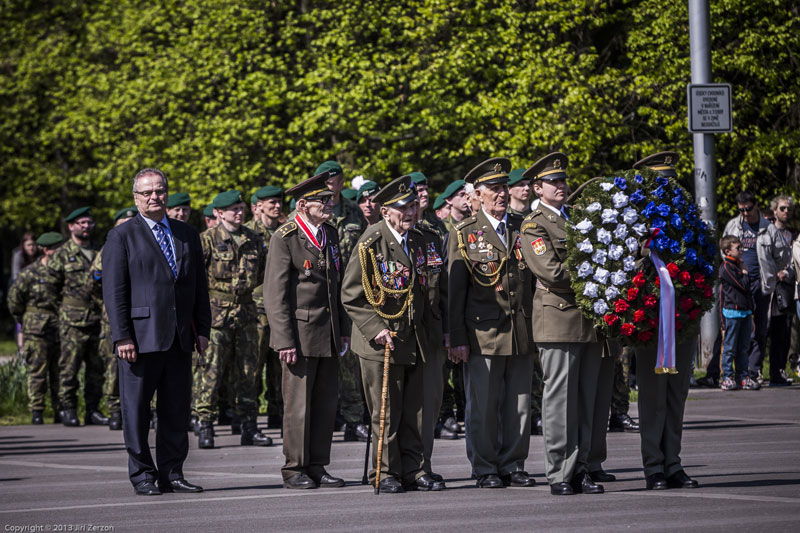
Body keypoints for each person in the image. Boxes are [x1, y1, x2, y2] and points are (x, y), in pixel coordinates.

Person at [103, 167, 211, 496]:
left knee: (175, 409)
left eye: (160, 190)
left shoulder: (186, 233)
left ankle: (172, 472)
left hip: (179, 337)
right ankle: (142, 475)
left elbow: (198, 287)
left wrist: (202, 328)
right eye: (147, 192)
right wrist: (122, 336)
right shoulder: (122, 236)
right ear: (136, 198)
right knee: (136, 412)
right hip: (138, 339)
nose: (155, 197)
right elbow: (114, 291)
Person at [342, 175, 442, 493]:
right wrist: (376, 329)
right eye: (404, 208)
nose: (411, 212)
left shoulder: (423, 239)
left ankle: (416, 468)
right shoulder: (371, 242)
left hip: (418, 338)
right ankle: (386, 472)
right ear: (386, 212)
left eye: (413, 205)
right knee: (386, 411)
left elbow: (437, 286)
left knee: (418, 411)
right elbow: (351, 294)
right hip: (382, 340)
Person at [520, 152, 605, 496]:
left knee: (585, 400)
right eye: (553, 182)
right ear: (537, 188)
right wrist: (597, 274)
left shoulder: (577, 219)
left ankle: (581, 466)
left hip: (586, 321)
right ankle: (560, 471)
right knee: (560, 400)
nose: (561, 186)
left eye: (562, 180)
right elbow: (551, 272)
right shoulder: (534, 224)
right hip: (557, 319)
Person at [449, 157, 535, 489]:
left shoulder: (522, 226)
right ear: (478, 195)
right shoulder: (464, 234)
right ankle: (485, 466)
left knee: (519, 406)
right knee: (483, 407)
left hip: (520, 331)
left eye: (504, 188)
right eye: (494, 189)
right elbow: (455, 292)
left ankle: (513, 463)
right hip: (482, 332)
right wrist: (457, 336)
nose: (501, 194)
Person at [263, 169, 350, 490]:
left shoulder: (331, 233)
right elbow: (275, 294)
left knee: (325, 403)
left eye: (330, 198)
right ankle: (294, 467)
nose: (329, 204)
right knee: (298, 406)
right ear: (303, 205)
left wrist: (342, 330)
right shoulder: (285, 237)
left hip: (327, 332)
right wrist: (284, 339)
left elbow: (335, 285)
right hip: (298, 335)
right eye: (322, 200)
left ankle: (317, 464)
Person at [631, 151, 699, 491]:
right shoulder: (633, 219)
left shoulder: (688, 220)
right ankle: (654, 467)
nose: (666, 189)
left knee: (677, 394)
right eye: (660, 183)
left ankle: (673, 462)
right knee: (653, 395)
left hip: (682, 315)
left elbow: (702, 258)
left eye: (670, 181)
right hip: (649, 319)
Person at [194, 190, 272, 449]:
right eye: (233, 209)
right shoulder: (207, 239)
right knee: (211, 372)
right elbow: (195, 278)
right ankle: (205, 424)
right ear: (218, 213)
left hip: (247, 313)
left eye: (241, 208)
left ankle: (249, 426)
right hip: (217, 315)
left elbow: (261, 274)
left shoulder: (253, 238)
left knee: (248, 372)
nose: (239, 212)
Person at [313, 161, 369, 442]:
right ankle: (323, 416)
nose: (332, 186)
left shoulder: (353, 212)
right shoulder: (306, 212)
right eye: (326, 181)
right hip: (319, 295)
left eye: (336, 181)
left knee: (350, 359)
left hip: (350, 293)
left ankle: (353, 418)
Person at [48, 207, 107, 427]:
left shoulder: (100, 250)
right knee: (69, 367)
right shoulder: (62, 254)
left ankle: (92, 409)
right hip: (72, 321)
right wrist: (64, 310)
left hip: (97, 318)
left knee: (96, 368)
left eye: (89, 222)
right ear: (71, 226)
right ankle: (68, 409)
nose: (86, 226)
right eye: (81, 223)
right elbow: (51, 290)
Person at [722, 190, 787, 386]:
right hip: (738, 285)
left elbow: (782, 254)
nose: (745, 213)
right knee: (738, 329)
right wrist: (735, 271)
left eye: (748, 209)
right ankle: (733, 374)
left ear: (756, 205)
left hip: (760, 283)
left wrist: (774, 272)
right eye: (741, 210)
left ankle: (753, 370)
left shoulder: (768, 228)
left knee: (759, 328)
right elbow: (724, 250)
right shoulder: (733, 225)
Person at [7, 232, 63, 424]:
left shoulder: (62, 272)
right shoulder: (29, 273)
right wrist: (24, 319)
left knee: (60, 371)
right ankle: (37, 411)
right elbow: (14, 301)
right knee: (37, 372)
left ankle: (60, 410)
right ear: (46, 250)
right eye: (56, 249)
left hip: (59, 327)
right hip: (36, 329)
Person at [91, 207, 138, 431]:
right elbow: (92, 282)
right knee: (113, 367)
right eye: (122, 223)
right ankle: (115, 409)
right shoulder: (109, 247)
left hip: (140, 315)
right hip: (112, 318)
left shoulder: (143, 242)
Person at [245, 185, 286, 429]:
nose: (277, 206)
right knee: (253, 364)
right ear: (258, 205)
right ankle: (248, 419)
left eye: (279, 202)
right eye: (271, 202)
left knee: (279, 364)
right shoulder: (248, 233)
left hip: (280, 308)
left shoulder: (285, 231)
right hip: (257, 309)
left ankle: (276, 412)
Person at [717, 235, 754, 390]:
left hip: (745, 312)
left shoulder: (740, 265)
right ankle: (727, 376)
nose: (741, 250)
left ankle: (742, 375)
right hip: (732, 312)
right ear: (727, 251)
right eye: (737, 248)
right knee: (730, 347)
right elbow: (743, 285)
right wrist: (745, 273)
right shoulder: (726, 267)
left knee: (744, 346)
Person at [766, 195, 795, 386]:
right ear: (775, 210)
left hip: (786, 287)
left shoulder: (793, 234)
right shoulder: (766, 232)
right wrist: (772, 272)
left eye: (788, 209)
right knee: (765, 330)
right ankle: (756, 371)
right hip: (769, 287)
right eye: (782, 208)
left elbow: (795, 259)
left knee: (784, 331)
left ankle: (779, 370)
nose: (786, 212)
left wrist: (787, 271)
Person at [10, 232, 39, 351]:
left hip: (37, 292)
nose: (31, 248)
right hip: (21, 291)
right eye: (29, 245)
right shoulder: (18, 255)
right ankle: (21, 349)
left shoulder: (39, 256)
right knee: (20, 322)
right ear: (24, 245)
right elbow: (15, 277)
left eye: (33, 245)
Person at [411, 171, 448, 238]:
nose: (425, 194)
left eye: (426, 189)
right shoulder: (404, 223)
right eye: (420, 190)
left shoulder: (436, 223)